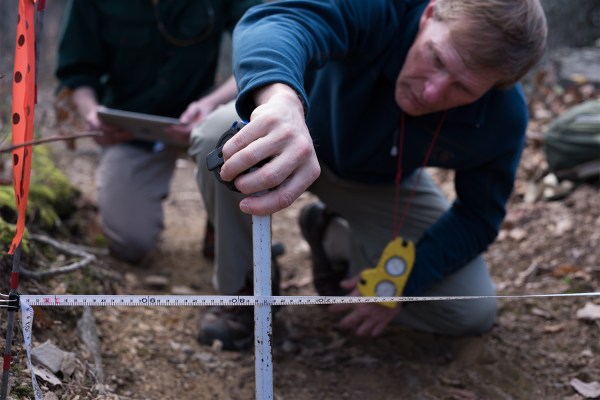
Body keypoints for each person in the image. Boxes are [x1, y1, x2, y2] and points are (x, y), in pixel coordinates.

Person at [189, 0, 547, 350]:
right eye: (437, 59)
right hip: (293, 143)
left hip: (381, 185)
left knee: (470, 310)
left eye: (464, 88)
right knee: (217, 136)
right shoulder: (380, 7)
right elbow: (277, 18)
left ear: (493, 87)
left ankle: (333, 239)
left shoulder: (502, 118)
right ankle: (246, 293)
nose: (432, 90)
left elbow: (478, 217)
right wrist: (281, 100)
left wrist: (399, 283)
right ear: (428, 14)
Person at [55, 0, 260, 264]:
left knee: (233, 136)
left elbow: (260, 52)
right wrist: (93, 114)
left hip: (204, 116)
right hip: (130, 128)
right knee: (130, 243)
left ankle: (222, 223)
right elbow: (77, 71)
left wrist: (211, 105)